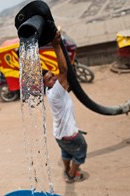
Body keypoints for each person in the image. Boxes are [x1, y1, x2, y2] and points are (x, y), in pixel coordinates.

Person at [43, 32, 87, 183]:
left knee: (67, 153)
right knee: (80, 153)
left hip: (59, 135)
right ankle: (71, 175)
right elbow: (63, 70)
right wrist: (56, 45)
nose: (54, 78)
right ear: (45, 84)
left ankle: (67, 169)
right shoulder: (55, 91)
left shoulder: (51, 91)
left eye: (52, 75)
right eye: (49, 79)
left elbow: (62, 76)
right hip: (70, 135)